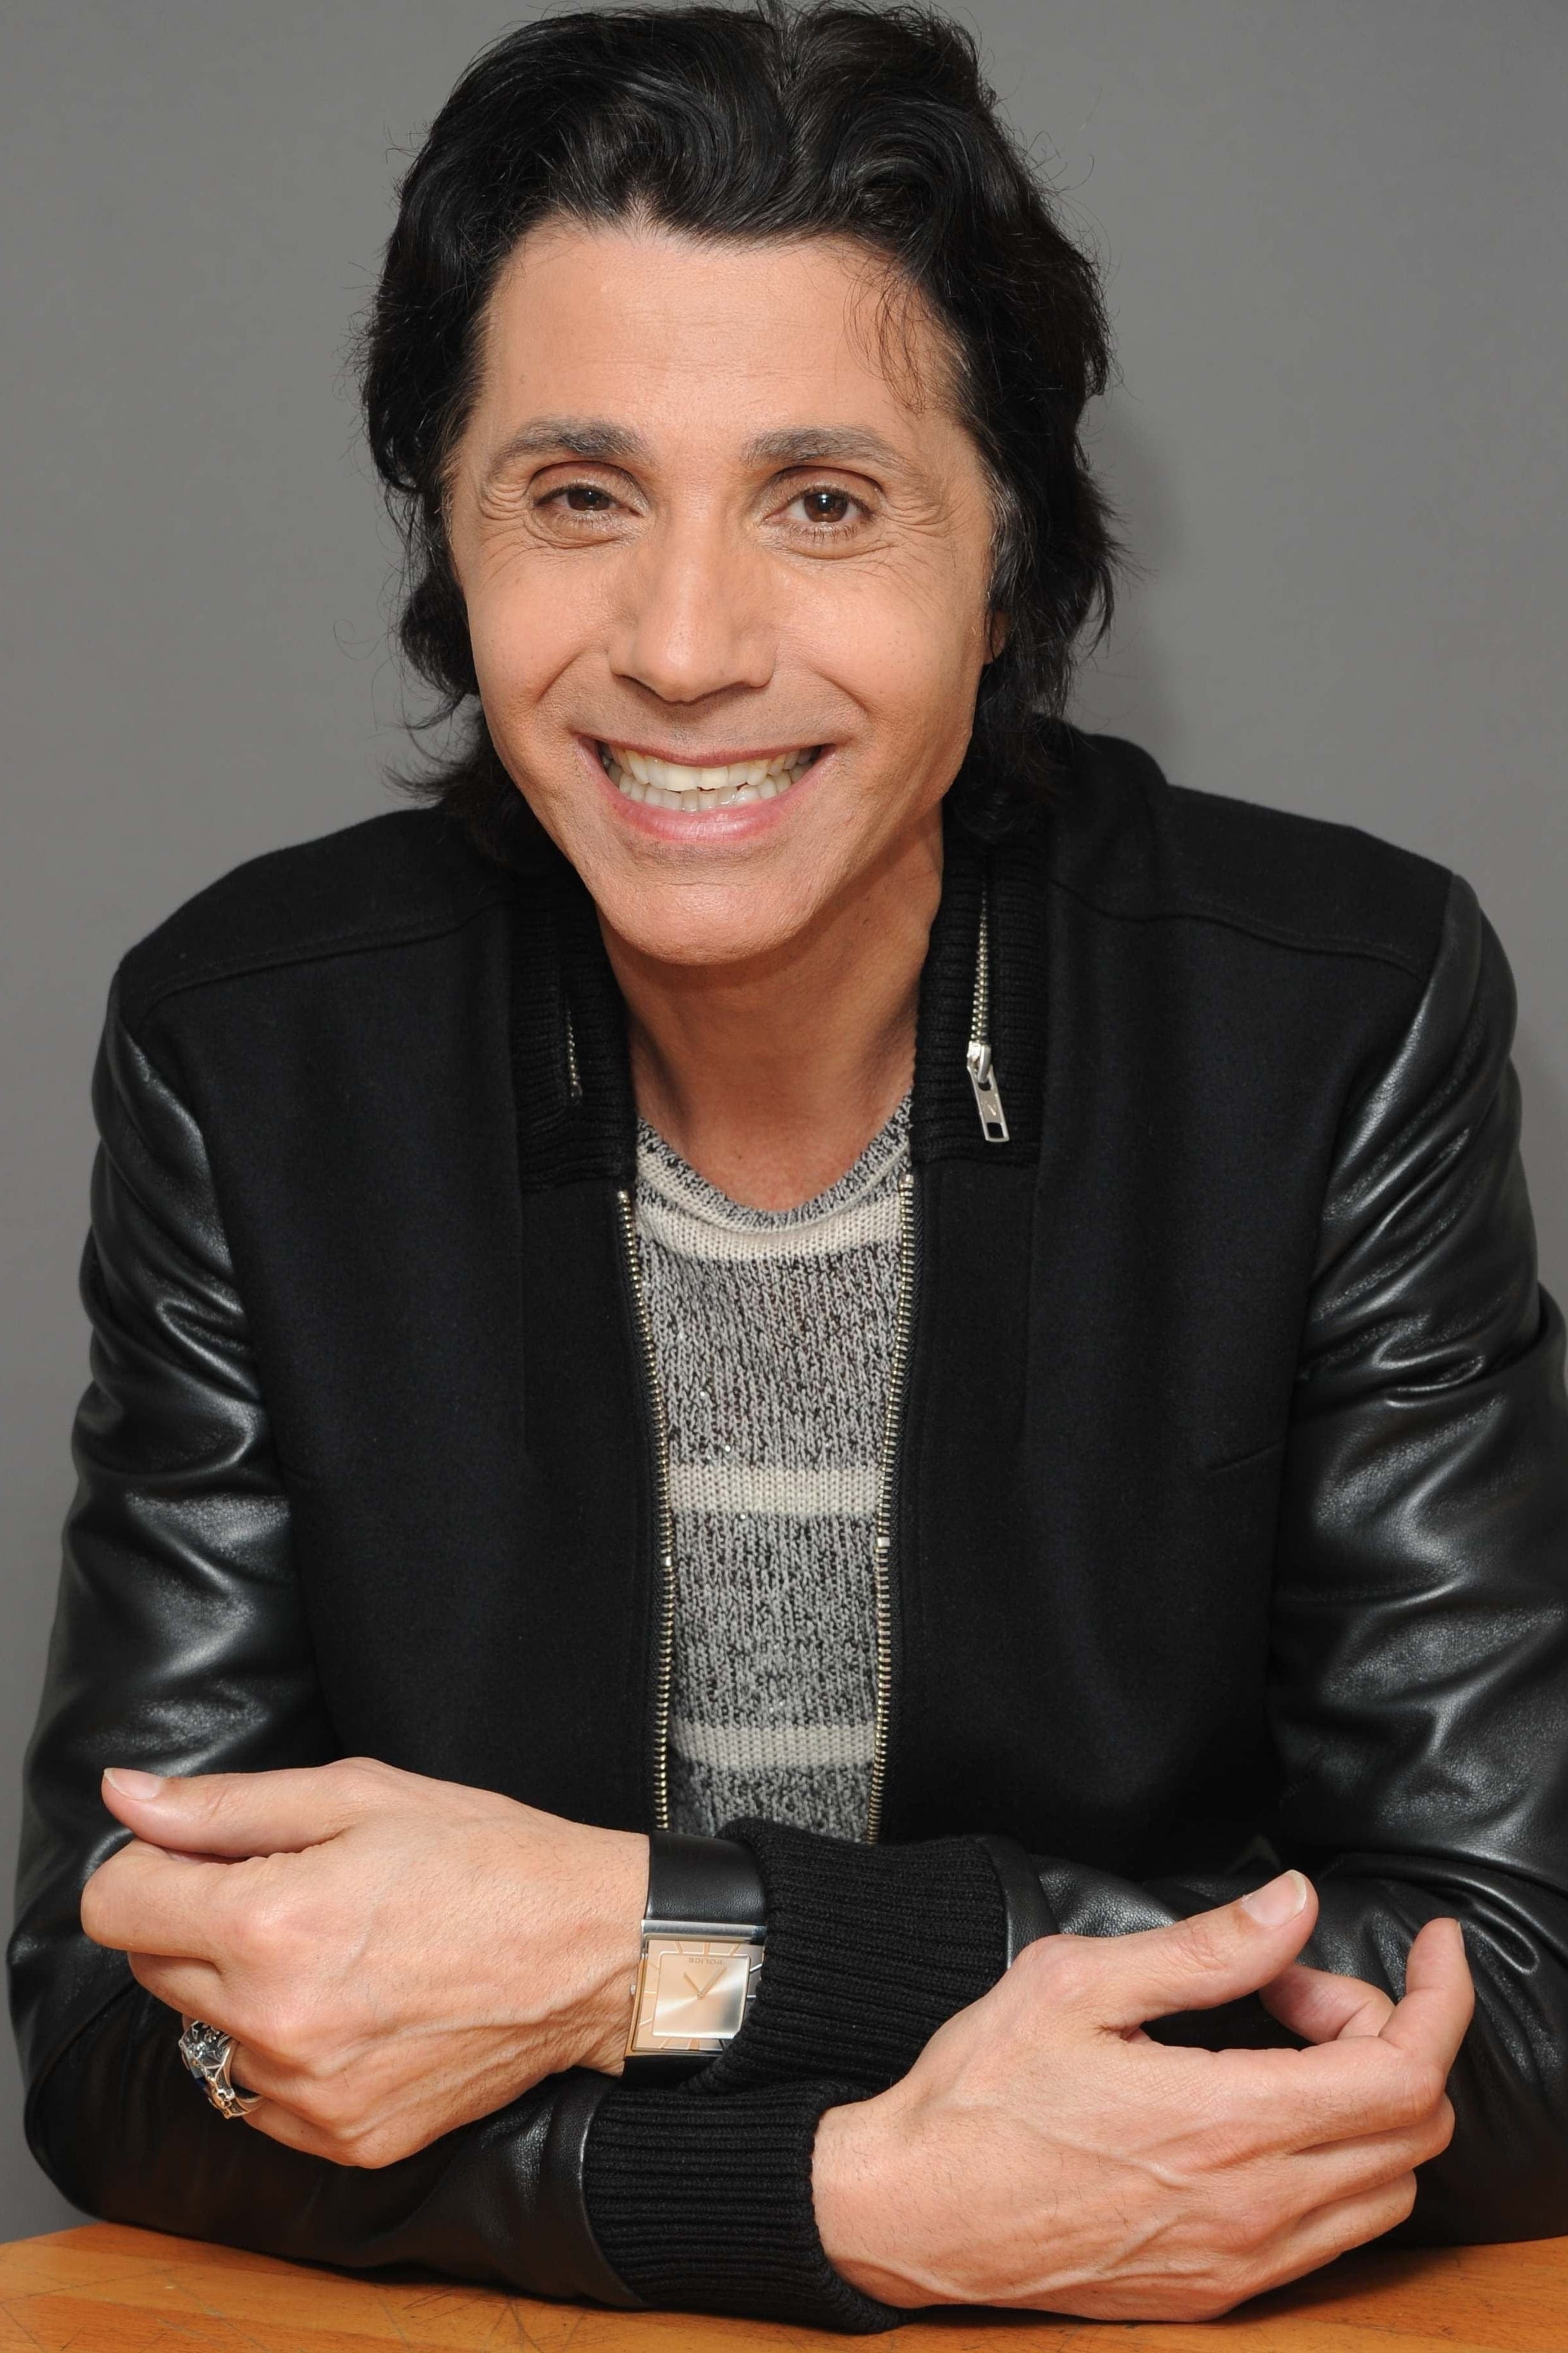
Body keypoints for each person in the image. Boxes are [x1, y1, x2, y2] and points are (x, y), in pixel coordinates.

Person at [10, 1, 1568, 2332]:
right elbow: (123, 2024)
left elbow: (1505, 2001)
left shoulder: (1331, 1016)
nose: (683, 647)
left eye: (823, 502)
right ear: (451, 535)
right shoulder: (254, 1051)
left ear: (1005, 561)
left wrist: (620, 1939)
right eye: (579, 495)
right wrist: (827, 2195)